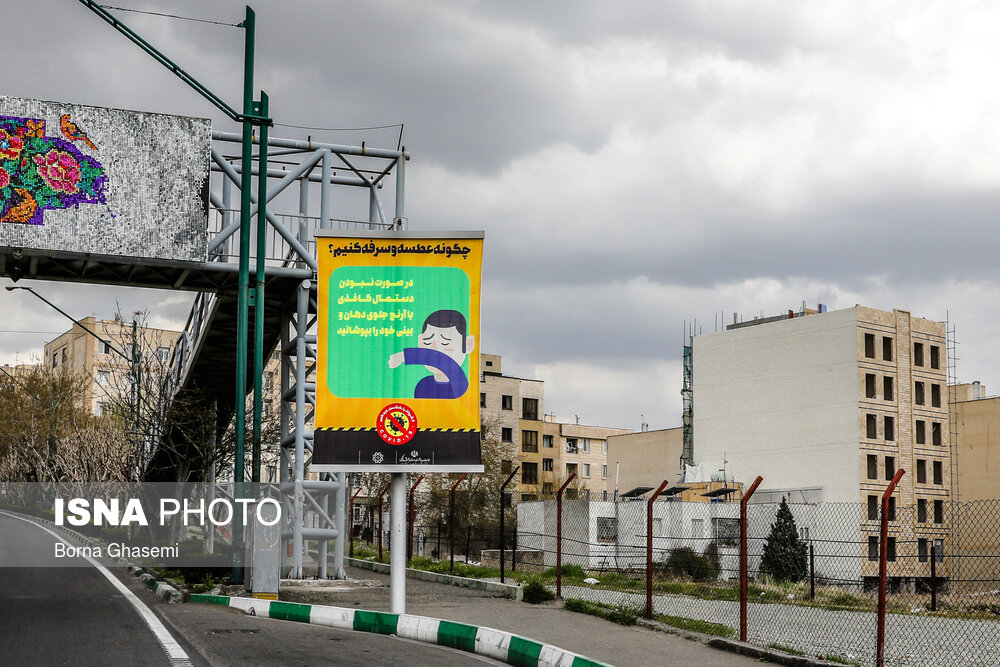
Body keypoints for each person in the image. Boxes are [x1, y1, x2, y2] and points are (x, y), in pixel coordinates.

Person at [388, 309, 475, 399]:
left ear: (468, 344)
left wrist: (405, 356)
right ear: (420, 341)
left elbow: (446, 363)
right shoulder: (423, 385)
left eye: (445, 343)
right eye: (427, 342)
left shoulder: (460, 383)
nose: (434, 348)